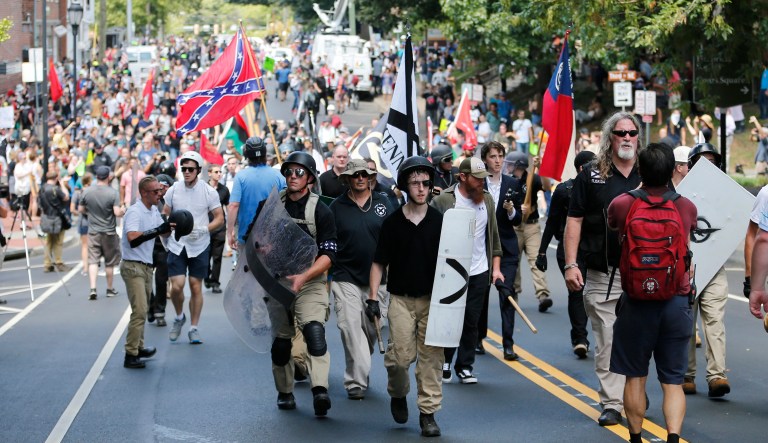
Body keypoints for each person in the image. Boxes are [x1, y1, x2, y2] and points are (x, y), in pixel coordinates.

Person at [607, 143, 696, 443]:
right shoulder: (686, 207)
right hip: (676, 302)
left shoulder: (622, 203)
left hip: (636, 303)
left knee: (635, 375)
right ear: (673, 170)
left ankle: (635, 438)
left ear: (640, 170)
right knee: (673, 381)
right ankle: (672, 438)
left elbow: (613, 228)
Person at [564, 112, 642, 426]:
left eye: (632, 132)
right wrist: (571, 264)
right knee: (608, 336)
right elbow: (574, 220)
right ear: (610, 137)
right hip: (602, 271)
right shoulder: (592, 174)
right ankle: (612, 402)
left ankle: (634, 393)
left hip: (644, 273)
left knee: (639, 337)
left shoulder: (650, 170)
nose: (627, 138)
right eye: (620, 132)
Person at [368, 156, 444, 437]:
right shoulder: (392, 223)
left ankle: (428, 413)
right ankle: (398, 394)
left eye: (426, 183)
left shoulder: (440, 222)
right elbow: (378, 262)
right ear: (405, 186)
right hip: (400, 299)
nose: (422, 188)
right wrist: (373, 297)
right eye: (415, 183)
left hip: (433, 301)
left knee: (431, 359)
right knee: (400, 359)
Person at [264, 151, 337, 417]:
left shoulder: (321, 210)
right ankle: (285, 392)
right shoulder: (272, 204)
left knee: (314, 333)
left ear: (309, 178)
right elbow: (254, 239)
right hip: (278, 281)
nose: (292, 177)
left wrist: (304, 277)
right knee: (281, 344)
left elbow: (329, 254)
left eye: (299, 172)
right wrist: (263, 247)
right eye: (289, 172)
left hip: (311, 280)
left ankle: (320, 391)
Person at [432, 157, 503, 384]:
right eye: (477, 178)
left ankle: (465, 366)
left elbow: (493, 236)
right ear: (462, 177)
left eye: (484, 179)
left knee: (471, 321)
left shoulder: (488, 200)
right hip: (451, 271)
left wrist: (496, 269)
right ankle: (445, 361)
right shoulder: (444, 200)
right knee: (451, 319)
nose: (482, 183)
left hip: (479, 270)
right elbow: (430, 234)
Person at [329, 159, 394, 400]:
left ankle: (360, 367)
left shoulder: (384, 203)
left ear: (370, 178)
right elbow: (328, 244)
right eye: (355, 175)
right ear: (347, 178)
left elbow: (395, 240)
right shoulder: (336, 207)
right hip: (345, 277)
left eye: (364, 175)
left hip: (379, 281)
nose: (360, 178)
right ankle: (356, 381)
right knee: (349, 327)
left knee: (368, 329)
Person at [681, 143, 731, 398]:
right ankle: (687, 374)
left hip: (715, 265)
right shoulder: (678, 195)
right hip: (685, 268)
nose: (707, 167)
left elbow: (734, 224)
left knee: (714, 321)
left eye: (711, 162)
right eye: (701, 162)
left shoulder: (725, 195)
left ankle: (717, 375)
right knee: (686, 322)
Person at [537, 151, 596, 358]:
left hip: (594, 248)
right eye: (591, 166)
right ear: (581, 169)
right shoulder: (564, 190)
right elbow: (552, 221)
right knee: (577, 292)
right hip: (569, 248)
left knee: (595, 294)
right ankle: (580, 338)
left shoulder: (601, 187)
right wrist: (542, 251)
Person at [162, 151, 224, 344]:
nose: (186, 172)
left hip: (199, 244)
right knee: (177, 286)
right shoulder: (173, 190)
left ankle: (194, 328)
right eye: (184, 169)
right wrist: (167, 224)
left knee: (196, 287)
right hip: (177, 243)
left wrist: (205, 230)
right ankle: (179, 317)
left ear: (198, 170)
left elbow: (220, 218)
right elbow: (165, 213)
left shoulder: (209, 191)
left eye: (190, 169)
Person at [120, 176, 171, 369]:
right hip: (133, 266)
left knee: (141, 310)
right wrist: (158, 230)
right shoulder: (135, 212)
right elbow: (133, 238)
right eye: (156, 191)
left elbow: (162, 232)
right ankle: (130, 354)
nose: (160, 194)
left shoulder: (153, 211)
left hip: (146, 266)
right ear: (144, 193)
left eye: (160, 190)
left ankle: (138, 347)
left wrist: (170, 227)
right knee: (140, 310)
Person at [480, 142, 522, 360]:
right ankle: (479, 337)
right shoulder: (477, 183)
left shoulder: (513, 183)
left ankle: (508, 345)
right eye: (493, 156)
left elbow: (518, 220)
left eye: (500, 156)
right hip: (482, 248)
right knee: (481, 294)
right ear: (485, 159)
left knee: (507, 294)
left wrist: (511, 210)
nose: (497, 160)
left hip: (506, 248)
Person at [507, 152, 552, 312]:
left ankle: (543, 295)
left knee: (536, 260)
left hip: (532, 226)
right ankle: (513, 294)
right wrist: (516, 208)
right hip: (515, 227)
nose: (508, 166)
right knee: (514, 262)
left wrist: (542, 169)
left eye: (511, 164)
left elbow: (547, 187)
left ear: (519, 165)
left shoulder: (532, 177)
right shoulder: (508, 181)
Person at [227, 136, 286, 250]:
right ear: (265, 154)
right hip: (273, 237)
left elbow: (233, 206)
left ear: (247, 155)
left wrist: (230, 232)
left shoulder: (241, 176)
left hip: (247, 237)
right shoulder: (279, 175)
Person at [80, 166, 125, 300]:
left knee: (93, 260)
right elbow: (117, 213)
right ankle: (109, 288)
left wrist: (91, 213)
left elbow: (80, 209)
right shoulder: (113, 193)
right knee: (109, 262)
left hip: (93, 231)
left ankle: (93, 288)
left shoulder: (87, 192)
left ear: (96, 177)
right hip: (109, 231)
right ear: (108, 177)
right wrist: (123, 210)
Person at [149, 174, 174, 327]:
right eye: (160, 185)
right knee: (144, 279)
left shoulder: (173, 202)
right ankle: (150, 304)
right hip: (147, 245)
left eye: (165, 186)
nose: (162, 189)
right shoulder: (149, 201)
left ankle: (160, 312)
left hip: (165, 246)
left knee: (161, 280)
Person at [38, 170, 71, 273]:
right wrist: (62, 184)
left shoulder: (42, 188)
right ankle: (58, 262)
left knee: (48, 242)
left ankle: (47, 264)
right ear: (56, 178)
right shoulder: (56, 189)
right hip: (57, 218)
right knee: (58, 242)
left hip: (47, 216)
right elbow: (66, 197)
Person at [204, 164, 229, 294]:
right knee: (206, 255)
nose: (219, 174)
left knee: (217, 256)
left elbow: (228, 207)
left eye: (220, 172)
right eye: (216, 172)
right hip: (205, 227)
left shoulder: (224, 190)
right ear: (209, 173)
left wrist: (230, 226)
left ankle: (215, 282)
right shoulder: (202, 189)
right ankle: (206, 276)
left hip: (220, 227)